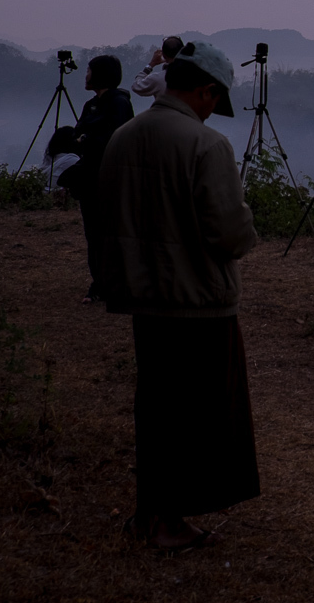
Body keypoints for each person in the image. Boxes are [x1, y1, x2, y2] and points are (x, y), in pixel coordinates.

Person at [96, 41, 260, 550]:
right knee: (198, 414)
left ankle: (151, 514)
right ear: (206, 90)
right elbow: (230, 234)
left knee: (159, 407)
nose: (214, 109)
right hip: (198, 302)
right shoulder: (207, 146)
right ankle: (169, 524)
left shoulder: (124, 136)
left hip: (145, 298)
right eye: (215, 99)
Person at [62, 54, 135, 304]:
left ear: (100, 74)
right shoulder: (91, 105)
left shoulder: (119, 103)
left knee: (111, 232)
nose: (86, 75)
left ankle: (117, 282)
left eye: (90, 71)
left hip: (111, 178)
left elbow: (114, 139)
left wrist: (87, 140)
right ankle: (100, 282)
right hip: (90, 177)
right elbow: (77, 135)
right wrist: (85, 140)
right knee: (93, 233)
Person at [130, 35, 184, 99]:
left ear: (163, 55)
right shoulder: (195, 77)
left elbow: (136, 86)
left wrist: (151, 65)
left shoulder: (157, 79)